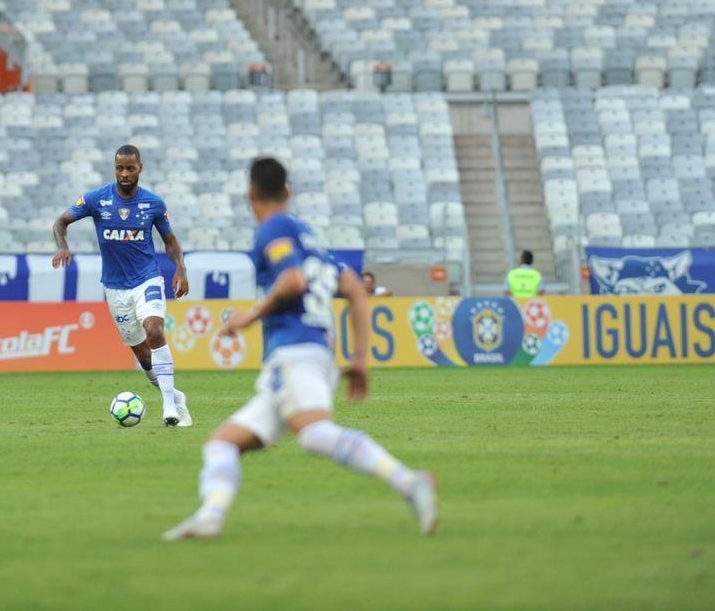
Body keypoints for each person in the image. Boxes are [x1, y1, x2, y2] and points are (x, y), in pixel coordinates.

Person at [163, 156, 438, 540]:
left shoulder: (273, 229)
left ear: (250, 194)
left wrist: (249, 317)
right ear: (288, 192)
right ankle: (210, 517)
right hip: (311, 354)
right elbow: (356, 291)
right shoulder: (308, 237)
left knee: (314, 434)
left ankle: (409, 482)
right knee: (222, 444)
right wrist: (360, 359)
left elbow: (292, 281)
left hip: (295, 352)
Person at [52, 144, 193, 427]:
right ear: (114, 169)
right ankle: (176, 396)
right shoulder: (96, 199)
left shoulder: (153, 203)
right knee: (143, 356)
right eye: (120, 168)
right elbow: (61, 221)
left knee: (155, 330)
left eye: (130, 168)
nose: (125, 173)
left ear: (140, 168)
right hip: (115, 288)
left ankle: (169, 407)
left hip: (147, 279)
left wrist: (181, 269)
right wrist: (62, 246)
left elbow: (170, 242)